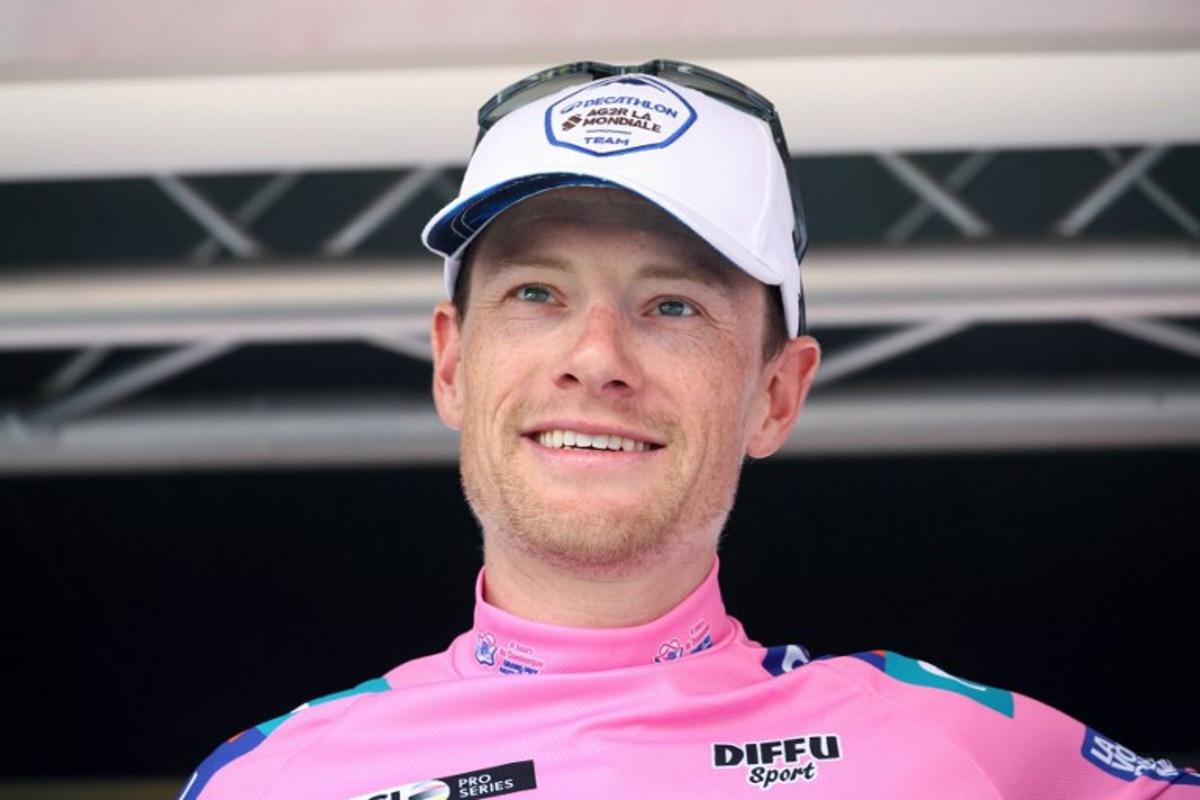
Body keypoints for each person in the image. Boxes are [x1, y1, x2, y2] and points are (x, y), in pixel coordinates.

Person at [180, 61, 1198, 800]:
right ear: (453, 360)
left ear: (776, 393)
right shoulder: (273, 779)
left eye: (673, 305)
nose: (596, 353)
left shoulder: (960, 750)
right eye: (537, 291)